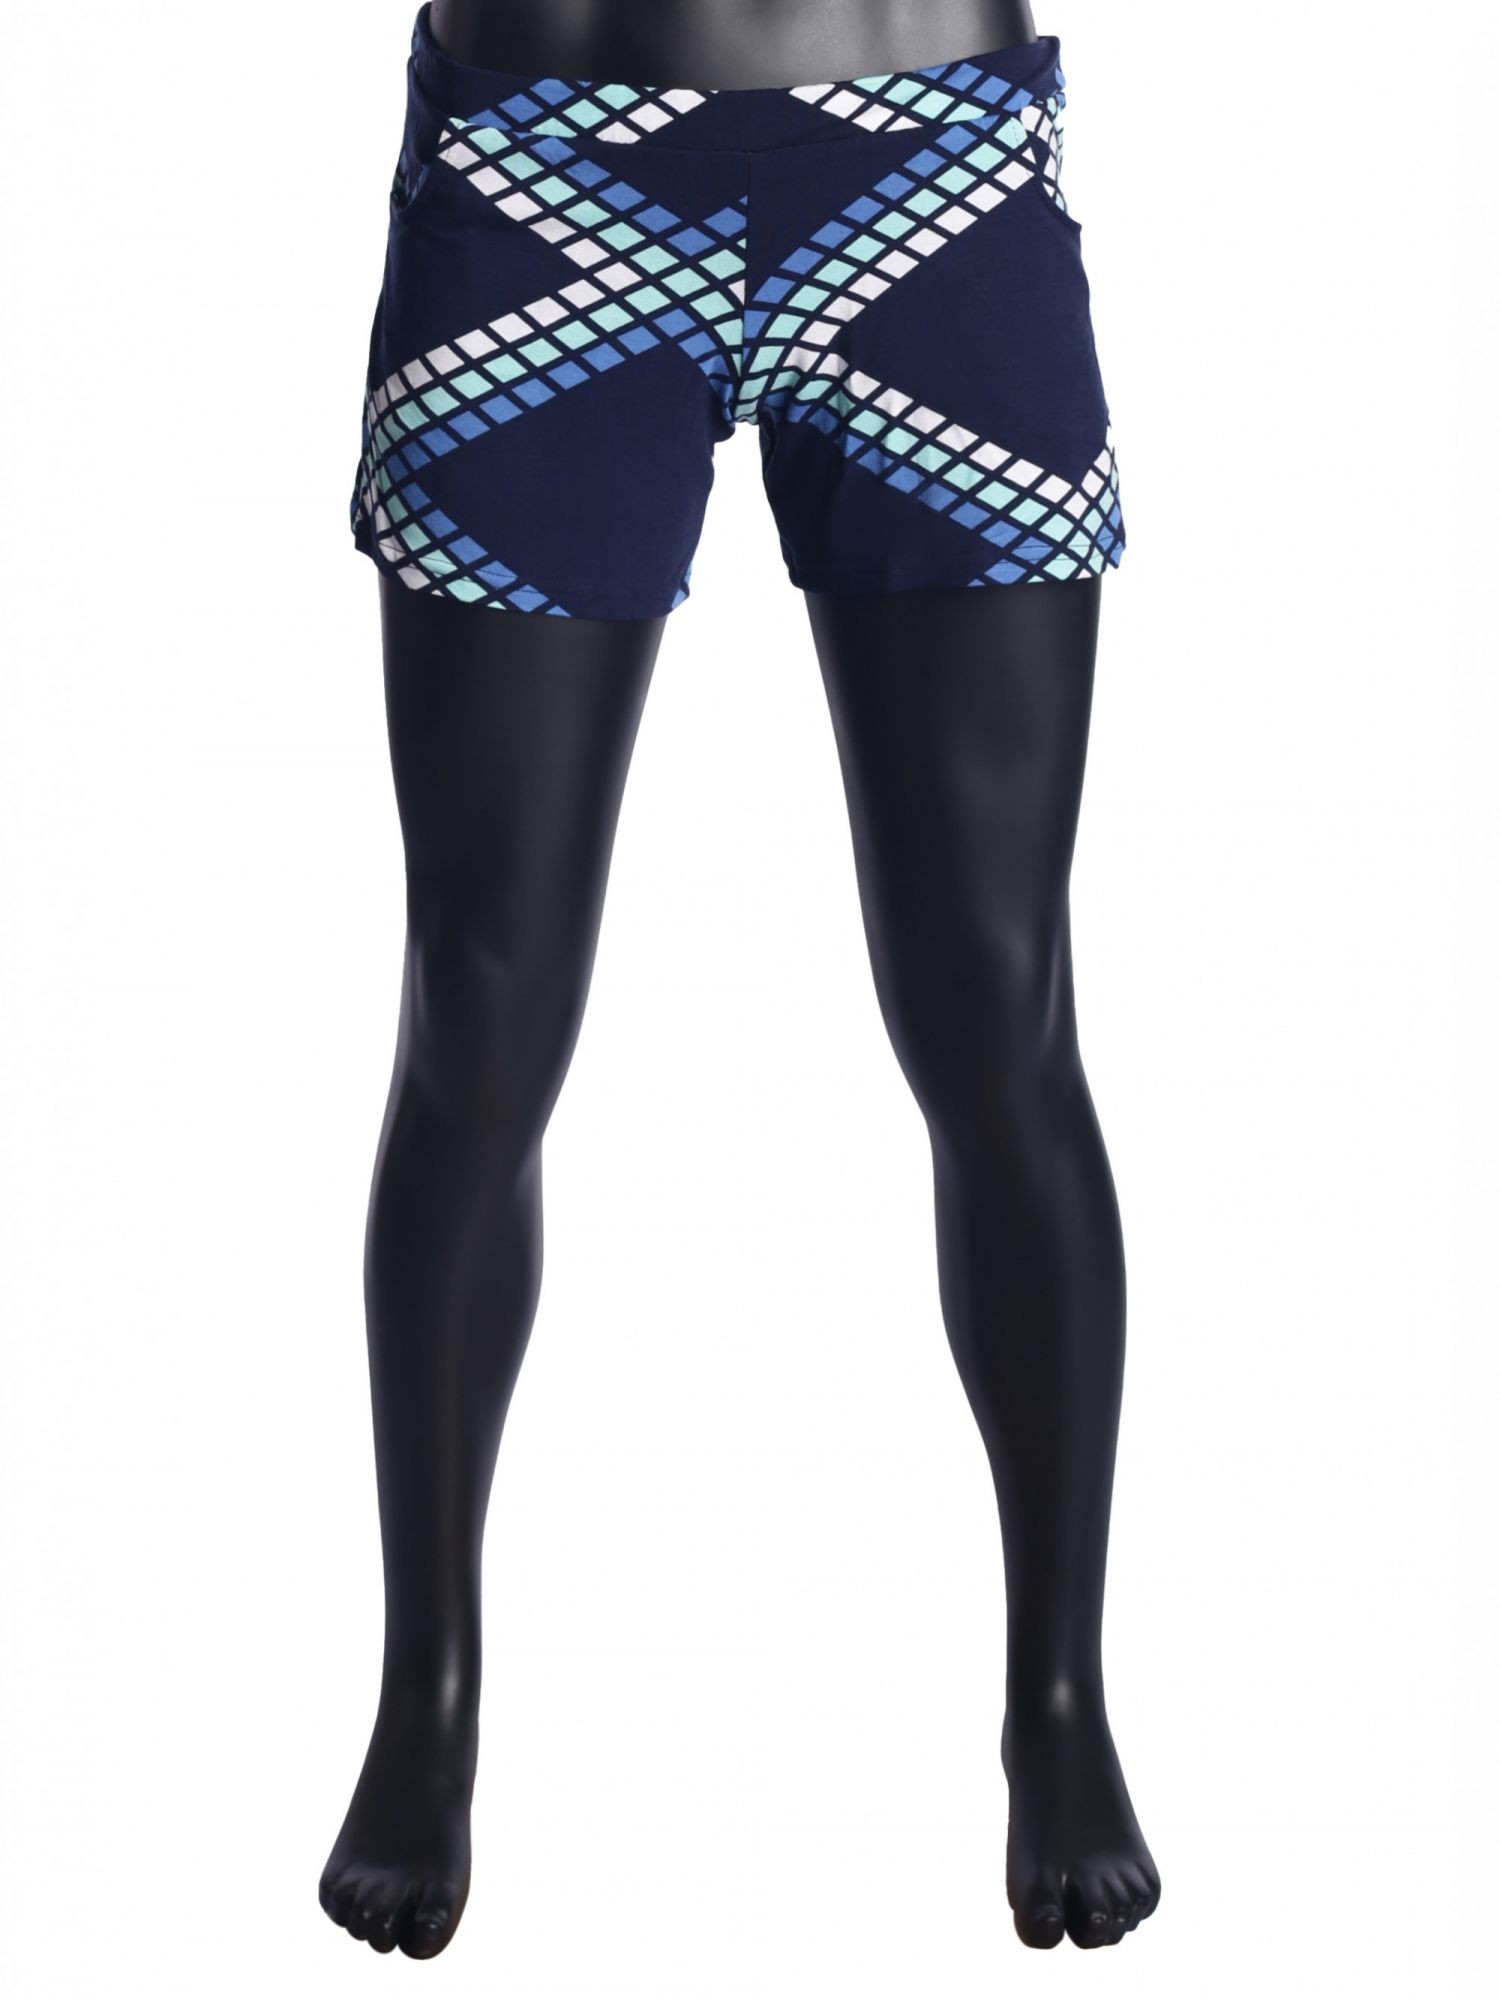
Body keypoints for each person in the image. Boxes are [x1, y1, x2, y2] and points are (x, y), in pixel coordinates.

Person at [320, 0, 1158, 1957]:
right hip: (540, 167)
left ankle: (1059, 1700)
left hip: (936, 170)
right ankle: (429, 1693)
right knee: (482, 1003)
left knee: (998, 996)